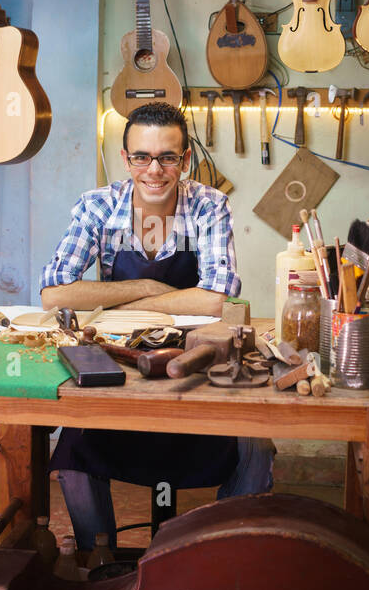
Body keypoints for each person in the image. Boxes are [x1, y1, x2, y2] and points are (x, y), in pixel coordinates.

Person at [39, 102, 275, 550]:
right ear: (125, 158)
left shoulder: (208, 205)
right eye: (141, 157)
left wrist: (136, 292)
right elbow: (54, 293)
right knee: (71, 454)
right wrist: (146, 285)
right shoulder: (97, 207)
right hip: (118, 366)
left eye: (168, 157)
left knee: (256, 446)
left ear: (185, 159)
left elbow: (215, 299)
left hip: (195, 366)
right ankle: (100, 562)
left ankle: (223, 558)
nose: (154, 170)